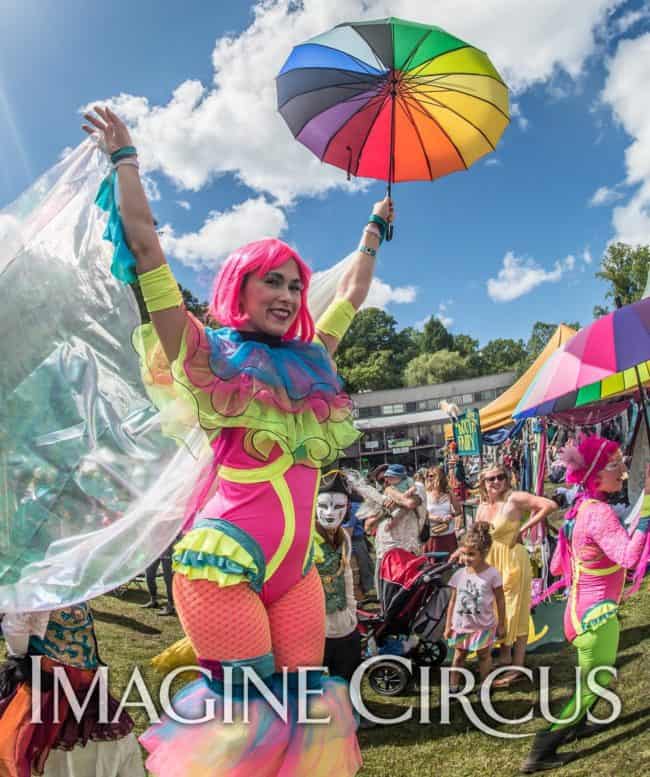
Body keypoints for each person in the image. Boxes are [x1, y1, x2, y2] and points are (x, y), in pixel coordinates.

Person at [82, 105, 392, 776]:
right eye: (271, 281)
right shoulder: (203, 354)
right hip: (224, 562)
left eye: (295, 285)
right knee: (245, 721)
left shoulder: (312, 362)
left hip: (295, 569)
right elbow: (145, 250)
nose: (286, 294)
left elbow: (357, 292)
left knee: (304, 709)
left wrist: (374, 229)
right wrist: (125, 158)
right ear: (241, 288)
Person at [521, 437, 650, 773]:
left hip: (579, 611)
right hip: (596, 618)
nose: (623, 470)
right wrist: (649, 509)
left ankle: (577, 725)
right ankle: (542, 748)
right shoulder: (600, 513)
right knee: (595, 683)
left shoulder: (581, 507)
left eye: (622, 461)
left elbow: (558, 567)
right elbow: (629, 557)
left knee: (590, 681)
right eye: (616, 464)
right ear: (594, 473)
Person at [0, 605, 144, 777]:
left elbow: (16, 635)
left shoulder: (30, 595)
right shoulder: (76, 593)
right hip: (82, 685)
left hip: (46, 684)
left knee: (16, 739)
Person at [474, 464, 558, 687]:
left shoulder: (514, 498)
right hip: (491, 562)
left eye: (500, 477)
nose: (496, 482)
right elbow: (477, 536)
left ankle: (517, 665)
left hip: (512, 560)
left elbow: (549, 505)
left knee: (514, 611)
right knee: (495, 611)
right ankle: (505, 657)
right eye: (490, 478)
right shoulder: (482, 507)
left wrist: (523, 529)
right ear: (483, 483)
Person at [444, 524, 506, 691]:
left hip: (483, 626)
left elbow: (500, 600)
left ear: (484, 552)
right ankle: (453, 686)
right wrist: (448, 625)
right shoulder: (459, 574)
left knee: (484, 656)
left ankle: (485, 686)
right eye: (464, 553)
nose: (466, 558)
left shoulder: (492, 574)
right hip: (461, 626)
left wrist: (502, 624)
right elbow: (452, 601)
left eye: (471, 554)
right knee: (459, 656)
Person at [315, 471, 362, 683]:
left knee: (346, 679)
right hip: (313, 628)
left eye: (338, 506)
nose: (330, 512)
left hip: (344, 624)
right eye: (323, 506)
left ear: (347, 509)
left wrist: (351, 613)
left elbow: (347, 576)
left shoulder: (344, 538)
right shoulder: (305, 539)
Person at [364, 463, 424, 593]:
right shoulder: (377, 500)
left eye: (389, 478)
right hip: (384, 552)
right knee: (385, 594)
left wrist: (391, 493)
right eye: (382, 480)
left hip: (407, 550)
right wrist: (384, 511)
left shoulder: (415, 490)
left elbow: (410, 503)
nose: (386, 482)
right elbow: (368, 527)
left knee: (408, 594)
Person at [422, 466, 461, 557]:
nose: (429, 478)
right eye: (428, 476)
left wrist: (450, 515)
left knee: (450, 566)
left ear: (440, 477)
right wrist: (436, 518)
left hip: (448, 535)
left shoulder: (448, 493)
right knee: (432, 567)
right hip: (431, 536)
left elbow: (458, 510)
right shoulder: (425, 493)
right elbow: (421, 514)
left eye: (432, 476)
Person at [343, 490, 375, 597]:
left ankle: (367, 591)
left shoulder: (352, 507)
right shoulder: (357, 504)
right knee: (364, 565)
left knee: (360, 567)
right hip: (359, 539)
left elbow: (348, 532)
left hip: (354, 541)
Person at [142, 540, 176, 615]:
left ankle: (170, 606)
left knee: (168, 579)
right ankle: (153, 601)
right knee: (149, 575)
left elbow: (178, 535)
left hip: (168, 552)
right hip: (154, 551)